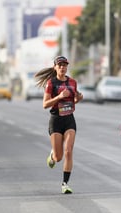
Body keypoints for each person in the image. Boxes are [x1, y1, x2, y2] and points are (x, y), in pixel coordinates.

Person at [34, 56, 83, 194]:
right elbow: (45, 104)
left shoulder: (72, 82)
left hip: (69, 120)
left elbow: (74, 100)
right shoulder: (51, 83)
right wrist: (59, 97)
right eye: (60, 65)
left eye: (65, 65)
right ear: (55, 67)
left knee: (68, 151)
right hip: (56, 120)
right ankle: (53, 155)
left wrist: (78, 98)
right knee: (58, 157)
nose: (62, 67)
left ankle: (65, 184)